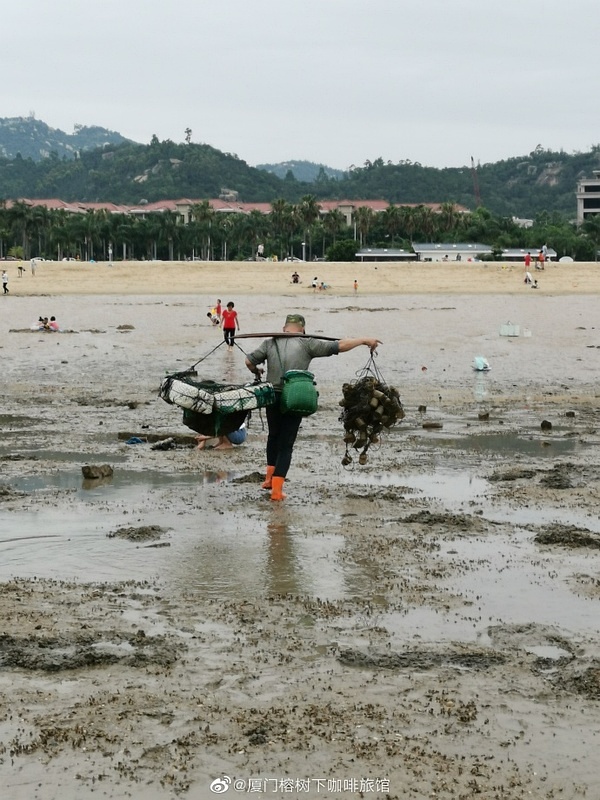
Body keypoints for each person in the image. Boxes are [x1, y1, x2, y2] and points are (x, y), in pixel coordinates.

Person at [244, 313, 382, 501]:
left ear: (285, 328)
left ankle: (269, 479)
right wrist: (364, 340)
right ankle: (276, 491)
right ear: (302, 329)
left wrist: (256, 370)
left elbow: (249, 361)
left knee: (273, 436)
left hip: (272, 396)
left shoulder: (270, 343)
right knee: (286, 444)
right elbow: (339, 346)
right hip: (295, 396)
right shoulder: (307, 343)